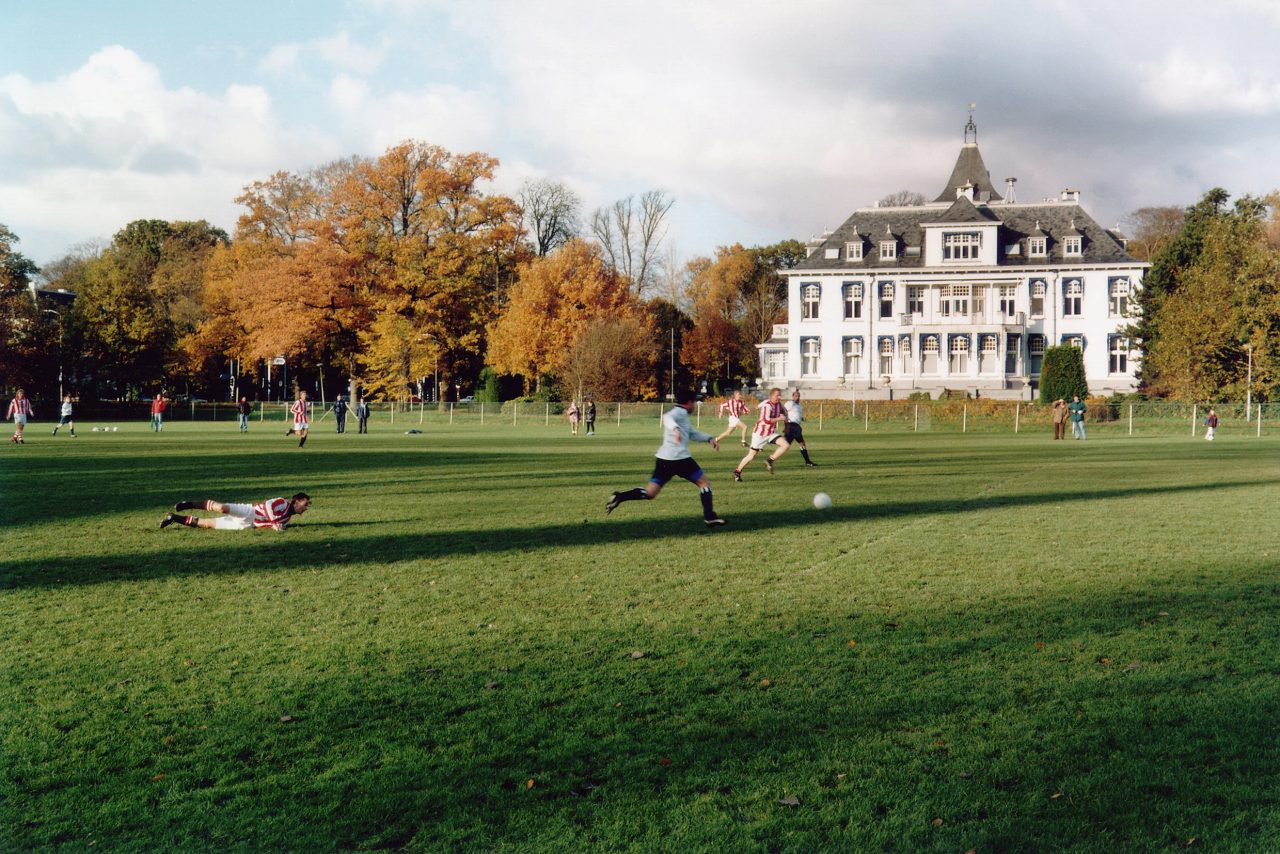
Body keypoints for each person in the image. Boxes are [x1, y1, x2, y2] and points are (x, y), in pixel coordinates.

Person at [605, 388, 725, 527]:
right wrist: (675, 429)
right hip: (680, 459)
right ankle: (709, 517)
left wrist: (709, 438)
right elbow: (667, 417)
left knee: (650, 493)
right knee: (704, 484)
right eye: (694, 402)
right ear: (689, 402)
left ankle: (619, 497)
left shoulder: (682, 415)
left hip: (664, 460)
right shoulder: (677, 413)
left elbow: (692, 433)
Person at [160, 493, 311, 531]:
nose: (306, 507)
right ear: (296, 501)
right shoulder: (282, 503)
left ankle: (173, 518)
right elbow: (267, 506)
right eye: (305, 503)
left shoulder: (288, 519)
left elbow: (274, 525)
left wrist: (278, 527)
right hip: (249, 512)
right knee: (221, 508)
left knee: (207, 524)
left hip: (247, 525)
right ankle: (188, 504)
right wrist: (274, 523)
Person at [733, 387, 791, 481]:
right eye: (777, 395)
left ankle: (769, 461)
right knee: (751, 456)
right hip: (760, 434)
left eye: (780, 395)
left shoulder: (779, 405)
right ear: (771, 396)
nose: (779, 397)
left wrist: (786, 426)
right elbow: (766, 420)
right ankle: (737, 472)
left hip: (771, 433)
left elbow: (785, 414)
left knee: (786, 445)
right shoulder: (767, 405)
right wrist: (779, 419)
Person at [782, 389, 816, 466]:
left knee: (801, 443)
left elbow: (797, 415)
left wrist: (802, 418)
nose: (797, 397)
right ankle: (770, 458)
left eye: (798, 396)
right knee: (785, 445)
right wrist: (785, 424)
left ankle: (807, 461)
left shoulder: (799, 406)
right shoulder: (790, 403)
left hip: (796, 427)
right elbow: (783, 411)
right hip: (791, 426)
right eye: (796, 396)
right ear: (793, 396)